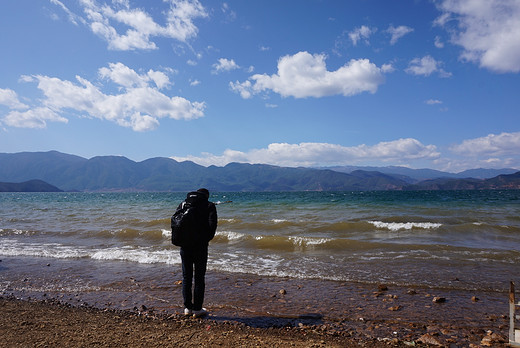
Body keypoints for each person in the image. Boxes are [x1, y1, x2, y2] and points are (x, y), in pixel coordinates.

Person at [176, 188, 217, 318]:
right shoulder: (209, 205)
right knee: (199, 278)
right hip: (200, 247)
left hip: (184, 246)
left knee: (186, 277)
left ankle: (187, 308)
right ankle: (198, 309)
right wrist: (203, 240)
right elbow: (212, 227)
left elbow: (176, 224)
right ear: (206, 196)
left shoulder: (183, 204)